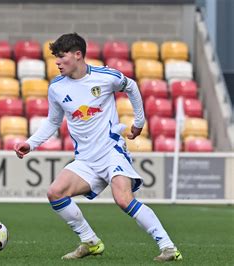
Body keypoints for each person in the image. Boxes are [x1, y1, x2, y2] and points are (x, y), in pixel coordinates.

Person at [14, 33, 182, 262]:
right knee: (55, 193)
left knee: (123, 199)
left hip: (111, 151)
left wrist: (139, 123)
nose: (57, 62)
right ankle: (90, 241)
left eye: (61, 57)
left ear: (78, 55)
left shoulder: (105, 77)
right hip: (85, 160)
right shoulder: (56, 88)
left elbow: (131, 86)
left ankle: (168, 247)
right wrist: (30, 143)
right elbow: (53, 122)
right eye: (56, 58)